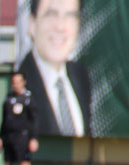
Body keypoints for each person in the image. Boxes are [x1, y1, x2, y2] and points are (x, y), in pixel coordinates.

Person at [17, 0, 90, 137]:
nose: (60, 27)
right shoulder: (21, 83)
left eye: (70, 15)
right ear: (32, 24)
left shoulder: (81, 77)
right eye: (51, 14)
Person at [0, 72, 39, 165]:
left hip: (23, 137)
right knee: (8, 164)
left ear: (23, 82)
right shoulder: (8, 98)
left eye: (18, 82)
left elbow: (35, 120)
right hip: (9, 137)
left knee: (24, 164)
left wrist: (34, 138)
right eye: (13, 82)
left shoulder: (28, 99)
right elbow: (4, 120)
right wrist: (0, 137)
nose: (15, 84)